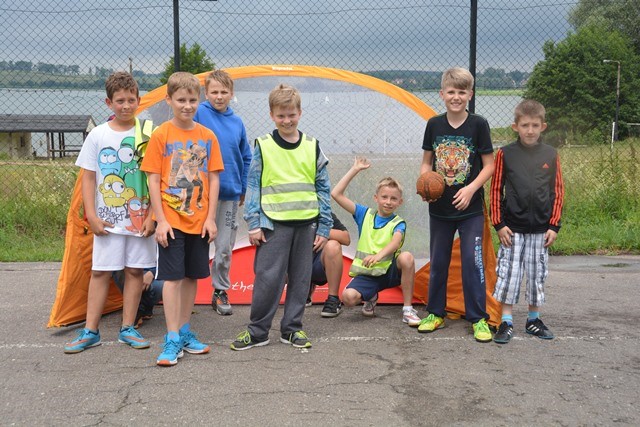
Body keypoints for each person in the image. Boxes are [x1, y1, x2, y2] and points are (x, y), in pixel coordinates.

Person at [230, 83, 332, 351]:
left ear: (300, 113)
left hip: (306, 225)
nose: (287, 120)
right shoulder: (263, 145)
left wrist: (324, 226)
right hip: (273, 225)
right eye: (281, 115)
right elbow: (254, 185)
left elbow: (323, 187)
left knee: (301, 280)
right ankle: (257, 331)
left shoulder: (312, 146)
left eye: (291, 115)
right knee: (268, 279)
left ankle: (292, 329)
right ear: (272, 115)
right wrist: (254, 223)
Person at [64, 71, 156, 354]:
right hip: (107, 220)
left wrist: (152, 215)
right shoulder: (98, 134)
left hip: (139, 221)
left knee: (135, 271)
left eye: (131, 100)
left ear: (139, 100)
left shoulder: (149, 132)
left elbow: (157, 177)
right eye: (120, 101)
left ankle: (128, 328)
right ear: (109, 103)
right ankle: (90, 330)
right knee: (101, 272)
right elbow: (89, 177)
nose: (126, 106)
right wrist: (91, 215)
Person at [141, 71, 224, 366]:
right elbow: (153, 180)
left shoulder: (207, 137)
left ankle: (185, 331)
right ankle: (172, 336)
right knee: (173, 279)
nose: (187, 106)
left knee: (191, 277)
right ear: (169, 100)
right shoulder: (161, 135)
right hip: (172, 222)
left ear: (199, 100)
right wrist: (161, 220)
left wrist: (210, 218)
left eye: (192, 100)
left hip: (199, 221)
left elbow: (213, 179)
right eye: (180, 100)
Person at [418, 67, 495, 342]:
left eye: (462, 92)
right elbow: (427, 162)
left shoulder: (479, 125)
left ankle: (478, 318)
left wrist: (471, 189)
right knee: (439, 262)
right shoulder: (433, 125)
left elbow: (489, 165)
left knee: (473, 263)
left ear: (470, 95)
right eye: (451, 92)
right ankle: (435, 313)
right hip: (439, 208)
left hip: (470, 209)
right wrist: (425, 183)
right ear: (442, 94)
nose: (456, 97)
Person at [490, 99, 564, 344]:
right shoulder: (505, 154)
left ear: (543, 126)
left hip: (541, 229)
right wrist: (499, 224)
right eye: (525, 125)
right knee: (509, 274)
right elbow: (496, 189)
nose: (530, 130)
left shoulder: (551, 154)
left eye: (535, 125)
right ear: (515, 127)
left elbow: (557, 191)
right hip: (512, 228)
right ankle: (506, 321)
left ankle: (533, 320)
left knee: (536, 275)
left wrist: (553, 225)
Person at [331, 157, 421, 326]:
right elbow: (336, 194)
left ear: (400, 202)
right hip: (369, 274)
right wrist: (355, 169)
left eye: (393, 198)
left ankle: (408, 310)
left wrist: (378, 256)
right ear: (376, 198)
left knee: (407, 257)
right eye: (384, 197)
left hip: (390, 272)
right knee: (348, 298)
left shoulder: (398, 223)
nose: (388, 202)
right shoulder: (364, 214)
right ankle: (370, 296)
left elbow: (395, 242)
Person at [194, 69, 252, 316]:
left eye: (224, 92)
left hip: (229, 192)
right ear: (206, 93)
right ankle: (184, 290)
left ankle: (219, 290)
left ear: (231, 93)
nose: (219, 96)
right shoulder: (198, 113)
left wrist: (243, 187)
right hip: (199, 193)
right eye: (214, 92)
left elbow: (246, 157)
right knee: (194, 243)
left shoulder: (237, 122)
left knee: (224, 246)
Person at [305, 212, 351, 318]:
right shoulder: (283, 212)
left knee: (333, 246)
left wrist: (318, 230)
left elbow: (346, 238)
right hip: (294, 265)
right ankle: (301, 290)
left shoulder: (322, 212)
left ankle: (333, 299)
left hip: (317, 265)